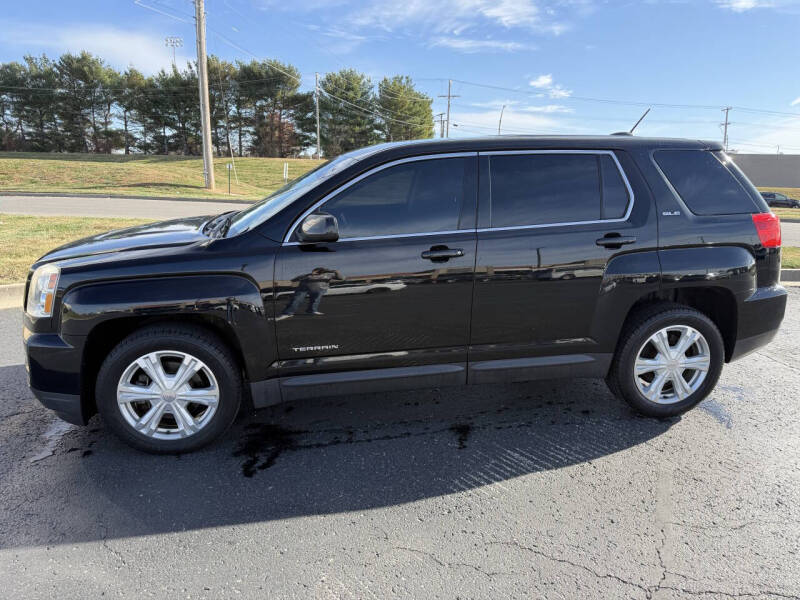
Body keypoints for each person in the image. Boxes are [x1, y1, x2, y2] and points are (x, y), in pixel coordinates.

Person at [277, 267, 344, 319]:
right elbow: (293, 280)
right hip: (303, 289)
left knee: (315, 301)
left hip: (320, 290)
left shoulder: (329, 275)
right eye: (313, 271)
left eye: (316, 271)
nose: (313, 272)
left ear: (321, 272)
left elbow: (341, 278)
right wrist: (304, 277)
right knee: (296, 300)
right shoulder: (306, 275)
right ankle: (287, 313)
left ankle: (312, 311)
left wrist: (336, 272)